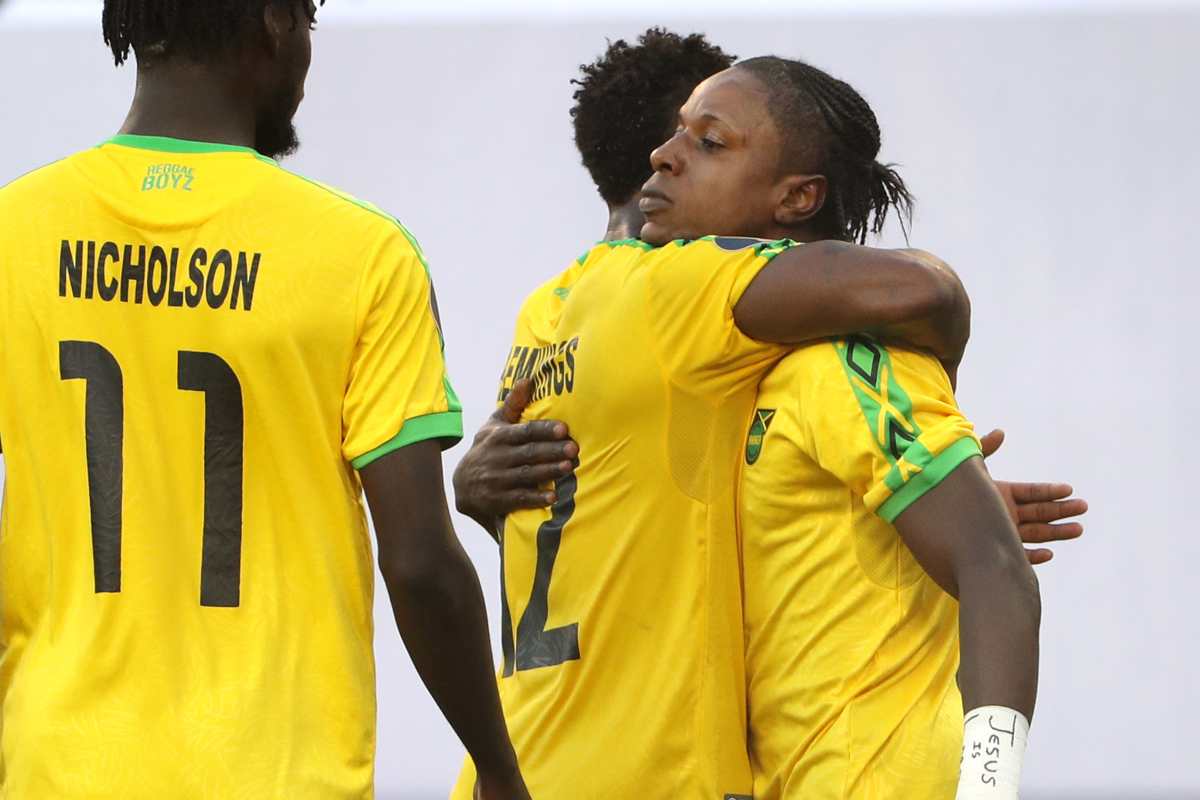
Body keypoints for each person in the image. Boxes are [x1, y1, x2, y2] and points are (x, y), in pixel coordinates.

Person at [452, 33, 1083, 799]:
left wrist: (990, 787)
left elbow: (993, 567)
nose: (667, 156)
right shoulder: (705, 346)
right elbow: (931, 293)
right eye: (678, 132)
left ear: (796, 196)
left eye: (709, 140)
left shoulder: (838, 354)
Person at [0, 2, 527, 797]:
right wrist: (497, 767)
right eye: (308, 23)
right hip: (277, 768)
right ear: (276, 24)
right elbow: (420, 563)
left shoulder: (14, 230)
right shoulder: (363, 254)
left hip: (57, 765)